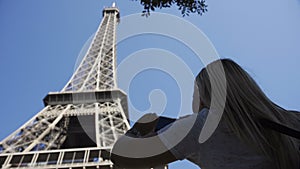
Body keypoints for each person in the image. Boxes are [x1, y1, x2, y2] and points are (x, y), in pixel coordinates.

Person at [111, 59, 300, 169]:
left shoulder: (200, 127)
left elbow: (121, 155)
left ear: (204, 97)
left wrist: (139, 128)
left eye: (194, 94)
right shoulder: (292, 119)